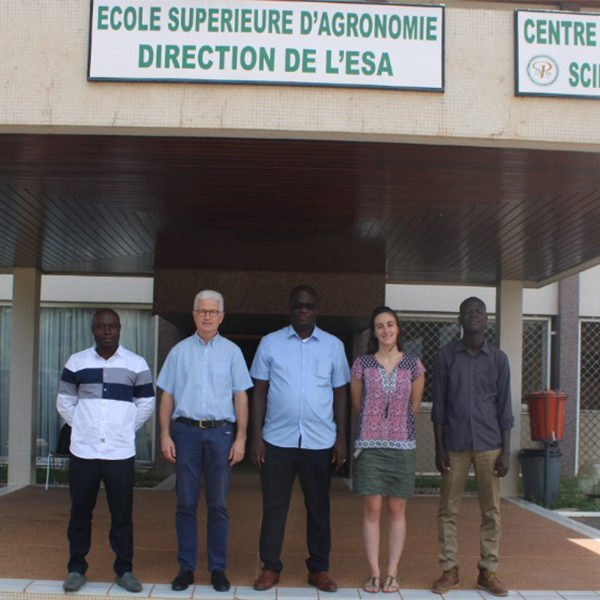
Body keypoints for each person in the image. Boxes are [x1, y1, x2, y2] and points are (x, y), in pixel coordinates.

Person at [250, 285, 350, 593]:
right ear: (290, 308)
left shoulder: (333, 346)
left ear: (316, 309)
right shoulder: (270, 343)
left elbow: (341, 394)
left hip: (319, 441)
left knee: (319, 507)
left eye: (308, 306)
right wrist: (256, 437)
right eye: (297, 305)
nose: (302, 310)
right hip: (277, 440)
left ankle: (318, 569)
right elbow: (259, 391)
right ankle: (270, 567)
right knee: (274, 507)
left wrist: (342, 439)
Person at [157, 290, 252, 592]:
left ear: (222, 316)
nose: (207, 316)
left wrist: (241, 437)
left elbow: (241, 396)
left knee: (218, 504)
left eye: (213, 311)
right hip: (185, 433)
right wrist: (163, 434)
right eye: (202, 311)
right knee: (185, 502)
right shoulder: (179, 351)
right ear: (194, 314)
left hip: (221, 433)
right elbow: (167, 395)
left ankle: (217, 568)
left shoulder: (233, 352)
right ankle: (186, 568)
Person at [56, 308, 155, 594]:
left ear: (120, 328)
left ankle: (124, 570)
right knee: (79, 513)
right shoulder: (77, 362)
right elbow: (64, 401)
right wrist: (84, 426)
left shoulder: (136, 364)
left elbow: (146, 404)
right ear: (93, 329)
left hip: (119, 453)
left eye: (112, 326)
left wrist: (123, 427)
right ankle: (76, 568)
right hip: (84, 452)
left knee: (122, 515)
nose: (107, 331)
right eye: (101, 326)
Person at [431, 297, 514, 597]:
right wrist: (439, 449)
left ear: (486, 319)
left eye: (479, 312)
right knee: (447, 510)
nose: (474, 316)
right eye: (469, 312)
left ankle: (488, 571)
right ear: (460, 319)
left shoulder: (498, 359)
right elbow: (438, 405)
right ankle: (449, 570)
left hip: (490, 446)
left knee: (491, 510)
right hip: (454, 445)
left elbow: (505, 408)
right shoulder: (445, 356)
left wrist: (505, 451)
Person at [350, 306, 425, 594]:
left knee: (396, 509)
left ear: (398, 328)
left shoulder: (413, 365)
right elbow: (358, 405)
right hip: (369, 446)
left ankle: (392, 572)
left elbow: (414, 407)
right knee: (372, 509)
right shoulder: (363, 364)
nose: (386, 330)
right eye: (380, 326)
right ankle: (374, 573)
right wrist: (376, 426)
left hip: (402, 444)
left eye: (390, 324)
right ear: (374, 331)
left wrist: (393, 426)